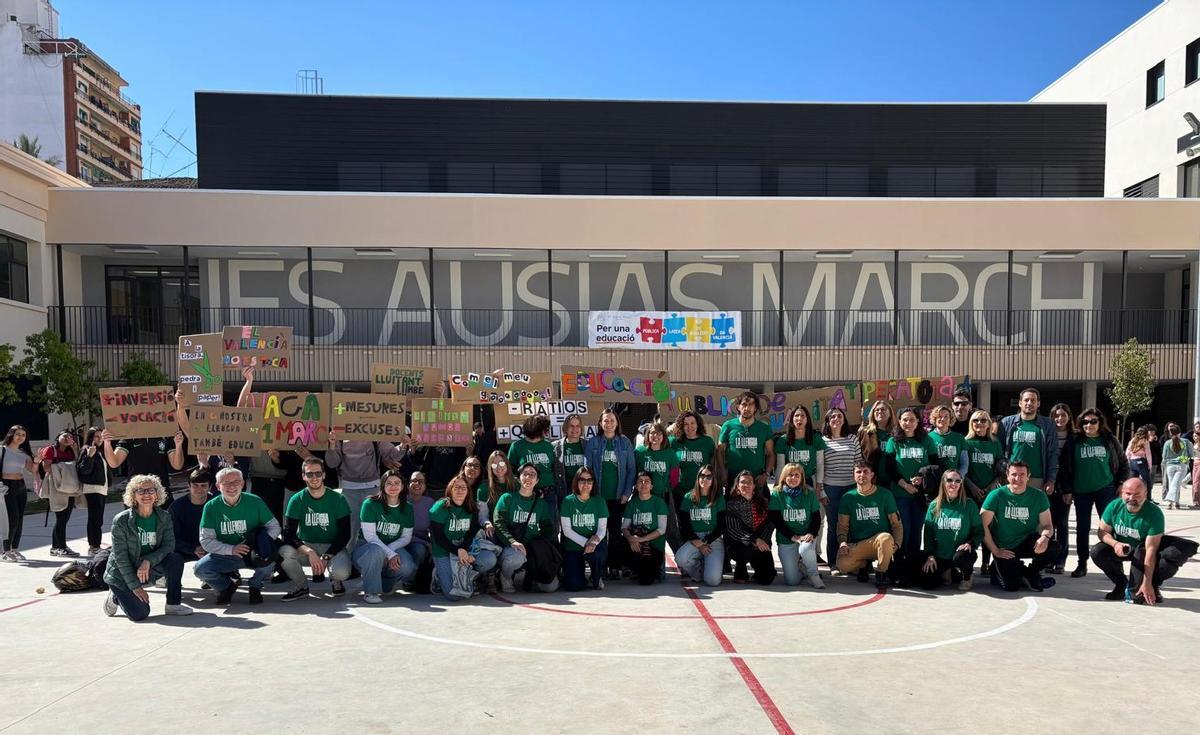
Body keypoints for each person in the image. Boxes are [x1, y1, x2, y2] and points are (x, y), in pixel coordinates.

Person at [1091, 477, 1198, 604]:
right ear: (1122, 493)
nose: (1131, 498)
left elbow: (1150, 551)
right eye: (1128, 494)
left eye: (1137, 494)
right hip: (1123, 547)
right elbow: (1102, 532)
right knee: (1098, 552)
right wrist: (1115, 544)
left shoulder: (1154, 514)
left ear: (1145, 495)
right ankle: (1120, 584)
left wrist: (1147, 583)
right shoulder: (1114, 506)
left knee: (1167, 563)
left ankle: (1153, 586)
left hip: (1144, 551)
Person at [101, 474, 193, 620]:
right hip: (122, 574)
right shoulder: (122, 521)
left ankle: (173, 604)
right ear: (133, 495)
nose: (146, 495)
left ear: (157, 494)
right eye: (140, 491)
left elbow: (169, 545)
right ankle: (116, 597)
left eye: (150, 490)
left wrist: (148, 560)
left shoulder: (164, 517)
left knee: (175, 559)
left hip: (146, 568)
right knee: (140, 614)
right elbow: (121, 558)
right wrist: (135, 587)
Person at [1057, 408, 1130, 579]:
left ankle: (1115, 562)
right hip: (1081, 491)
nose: (1088, 425)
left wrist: (1121, 483)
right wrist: (1067, 489)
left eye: (1093, 421)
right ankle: (1082, 563)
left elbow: (1123, 463)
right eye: (1085, 422)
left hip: (1105, 489)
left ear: (1100, 423)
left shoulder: (1109, 440)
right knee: (1082, 528)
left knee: (1110, 527)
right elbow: (1065, 468)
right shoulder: (1074, 441)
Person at [195, 467, 281, 606]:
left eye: (236, 481)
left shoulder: (255, 501)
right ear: (218, 486)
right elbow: (206, 540)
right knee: (200, 569)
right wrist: (231, 549)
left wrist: (261, 543)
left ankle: (255, 586)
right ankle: (226, 587)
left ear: (242, 484)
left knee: (270, 560)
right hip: (225, 553)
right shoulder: (211, 506)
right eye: (226, 482)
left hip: (253, 552)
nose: (232, 486)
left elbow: (275, 526)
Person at [279, 457, 353, 601]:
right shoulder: (296, 499)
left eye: (318, 473)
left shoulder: (338, 499)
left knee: (341, 572)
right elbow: (288, 534)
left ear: (324, 475)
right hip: (308, 545)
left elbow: (345, 534)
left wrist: (326, 556)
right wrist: (309, 552)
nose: (314, 478)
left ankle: (335, 580)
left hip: (332, 546)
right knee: (284, 552)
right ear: (303, 476)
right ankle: (301, 586)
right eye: (310, 474)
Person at [980, 461, 1057, 592]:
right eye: (1014, 474)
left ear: (1028, 476)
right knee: (1011, 587)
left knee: (1053, 547)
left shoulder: (1038, 496)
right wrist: (995, 550)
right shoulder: (996, 495)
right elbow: (982, 525)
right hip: (1004, 547)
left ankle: (1030, 573)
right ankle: (998, 568)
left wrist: (1045, 537)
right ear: (1007, 475)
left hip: (1025, 541)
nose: (1018, 478)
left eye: (1022, 474)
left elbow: (1048, 525)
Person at [326, 434, 406, 549]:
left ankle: (375, 557)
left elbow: (392, 454)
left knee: (376, 528)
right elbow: (332, 463)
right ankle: (349, 558)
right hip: (349, 489)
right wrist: (332, 447)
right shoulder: (341, 433)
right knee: (349, 529)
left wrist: (402, 446)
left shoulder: (373, 430)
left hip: (372, 488)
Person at [352, 469, 417, 604]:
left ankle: (385, 581)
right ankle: (371, 591)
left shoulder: (408, 508)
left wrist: (390, 551)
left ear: (402, 486)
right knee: (376, 551)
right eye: (389, 483)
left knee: (407, 566)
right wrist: (389, 553)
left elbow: (406, 537)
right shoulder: (370, 504)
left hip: (393, 547)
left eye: (397, 483)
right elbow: (371, 537)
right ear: (382, 486)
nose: (393, 486)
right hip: (367, 548)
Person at [429, 473, 497, 601]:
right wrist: (457, 551)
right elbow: (437, 537)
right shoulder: (441, 507)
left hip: (464, 547)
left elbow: (471, 533)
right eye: (456, 487)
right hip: (444, 550)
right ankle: (438, 576)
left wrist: (465, 550)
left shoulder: (471, 507)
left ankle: (470, 575)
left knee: (489, 558)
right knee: (453, 595)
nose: (460, 490)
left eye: (463, 487)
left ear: (468, 491)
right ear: (450, 489)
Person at [584, 408, 635, 577]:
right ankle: (601, 565)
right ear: (600, 423)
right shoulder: (593, 443)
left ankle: (614, 565)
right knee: (599, 532)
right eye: (605, 421)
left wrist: (627, 492)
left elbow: (631, 470)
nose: (609, 424)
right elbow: (587, 469)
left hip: (618, 497)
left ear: (617, 423)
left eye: (612, 420)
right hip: (598, 497)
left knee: (615, 532)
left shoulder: (625, 442)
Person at [881, 407, 937, 556]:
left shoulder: (927, 440)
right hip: (900, 494)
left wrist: (922, 477)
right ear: (899, 421)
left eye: (912, 419)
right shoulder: (893, 441)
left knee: (916, 531)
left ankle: (913, 566)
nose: (908, 423)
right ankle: (900, 566)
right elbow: (889, 470)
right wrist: (906, 485)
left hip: (920, 495)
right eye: (905, 419)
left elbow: (935, 465)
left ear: (918, 421)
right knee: (902, 530)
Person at [836, 462, 902, 587]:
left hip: (880, 543)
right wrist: (843, 542)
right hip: (860, 544)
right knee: (842, 564)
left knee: (886, 538)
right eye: (858, 472)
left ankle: (881, 573)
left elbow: (896, 524)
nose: (862, 475)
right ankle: (863, 565)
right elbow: (842, 526)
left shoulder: (885, 495)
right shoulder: (848, 497)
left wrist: (897, 543)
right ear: (853, 475)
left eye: (866, 471)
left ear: (872, 475)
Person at [495, 463, 558, 592]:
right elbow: (498, 522)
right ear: (518, 478)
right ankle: (505, 576)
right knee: (516, 558)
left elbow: (547, 528)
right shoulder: (507, 498)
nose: (528, 478)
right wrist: (512, 541)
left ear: (537, 480)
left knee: (550, 587)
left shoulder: (541, 504)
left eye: (532, 474)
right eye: (525, 474)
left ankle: (530, 576)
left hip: (532, 548)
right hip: (511, 547)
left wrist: (543, 549)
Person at [919, 470, 982, 591]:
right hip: (940, 554)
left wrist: (970, 543)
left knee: (961, 558)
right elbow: (928, 534)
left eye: (957, 481)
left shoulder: (969, 504)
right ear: (943, 482)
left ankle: (967, 577)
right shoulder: (934, 505)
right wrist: (930, 556)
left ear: (961, 483)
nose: (954, 483)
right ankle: (949, 571)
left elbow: (979, 530)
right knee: (927, 583)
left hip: (960, 554)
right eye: (949, 480)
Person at [821, 407, 864, 572]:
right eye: (832, 417)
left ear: (844, 419)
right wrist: (822, 491)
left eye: (839, 416)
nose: (836, 419)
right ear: (828, 421)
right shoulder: (823, 441)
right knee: (834, 526)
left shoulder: (852, 439)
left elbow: (858, 464)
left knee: (852, 525)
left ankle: (852, 562)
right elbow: (820, 467)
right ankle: (833, 562)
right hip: (831, 487)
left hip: (851, 488)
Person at [998, 387, 1061, 499]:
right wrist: (1003, 474)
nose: (1029, 403)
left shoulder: (1047, 425)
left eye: (1033, 400)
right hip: (1013, 476)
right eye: (1026, 400)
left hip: (1037, 478)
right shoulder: (1006, 423)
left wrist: (1051, 480)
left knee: (1035, 513)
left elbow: (1052, 454)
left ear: (1038, 404)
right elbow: (999, 450)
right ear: (1020, 403)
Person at [963, 410, 1004, 575]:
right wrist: (972, 487)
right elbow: (963, 469)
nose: (979, 424)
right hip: (970, 490)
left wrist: (990, 487)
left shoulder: (995, 442)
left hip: (990, 492)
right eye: (975, 421)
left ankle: (986, 562)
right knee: (971, 527)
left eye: (982, 420)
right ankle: (967, 560)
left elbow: (1001, 469)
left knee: (989, 527)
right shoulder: (966, 442)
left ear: (988, 423)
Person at [769, 463, 824, 588]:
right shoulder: (777, 494)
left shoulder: (809, 493)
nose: (793, 478)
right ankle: (801, 568)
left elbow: (816, 517)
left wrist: (811, 533)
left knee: (805, 548)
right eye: (790, 475)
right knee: (792, 581)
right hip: (786, 538)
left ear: (801, 478)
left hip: (805, 536)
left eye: (796, 475)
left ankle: (813, 574)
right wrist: (792, 536)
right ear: (784, 477)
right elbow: (776, 520)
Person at [675, 464, 726, 587]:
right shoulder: (688, 497)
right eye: (702, 476)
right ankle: (698, 570)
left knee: (713, 581)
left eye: (709, 477)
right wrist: (696, 541)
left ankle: (710, 566)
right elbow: (683, 524)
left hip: (713, 539)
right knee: (680, 558)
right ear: (698, 478)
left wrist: (705, 542)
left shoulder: (718, 498)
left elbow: (722, 525)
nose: (705, 479)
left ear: (713, 479)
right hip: (695, 538)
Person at [559, 468, 608, 592]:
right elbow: (566, 530)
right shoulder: (567, 501)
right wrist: (587, 543)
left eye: (589, 481)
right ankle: (579, 575)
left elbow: (602, 529)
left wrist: (593, 543)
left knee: (597, 555)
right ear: (576, 482)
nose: (586, 484)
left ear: (593, 483)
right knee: (573, 585)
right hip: (573, 546)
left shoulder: (599, 501)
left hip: (594, 545)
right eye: (582, 480)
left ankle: (596, 577)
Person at [723, 470, 776, 585]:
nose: (746, 485)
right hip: (740, 545)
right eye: (743, 482)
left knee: (767, 578)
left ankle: (758, 572)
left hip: (761, 542)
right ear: (737, 486)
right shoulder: (731, 505)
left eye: (749, 482)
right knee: (744, 550)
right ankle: (740, 567)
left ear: (754, 486)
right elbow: (733, 530)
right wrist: (755, 540)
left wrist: (763, 541)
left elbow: (770, 525)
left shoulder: (764, 503)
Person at [635, 422, 680, 549]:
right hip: (643, 498)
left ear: (664, 436)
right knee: (644, 529)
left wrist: (667, 488)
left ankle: (683, 563)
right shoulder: (639, 452)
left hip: (663, 496)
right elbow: (633, 472)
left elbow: (675, 476)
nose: (656, 436)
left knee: (671, 530)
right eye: (652, 433)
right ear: (647, 435)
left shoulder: (670, 453)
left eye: (659, 433)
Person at [717, 392, 775, 492]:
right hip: (733, 478)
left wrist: (766, 475)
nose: (747, 408)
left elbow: (771, 453)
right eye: (744, 404)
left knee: (759, 507)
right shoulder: (728, 426)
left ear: (756, 408)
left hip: (757, 479)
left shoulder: (764, 428)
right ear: (738, 407)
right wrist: (723, 472)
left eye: (751, 405)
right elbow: (719, 451)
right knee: (732, 507)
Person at [621, 471, 669, 585]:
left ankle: (651, 569)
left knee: (645, 581)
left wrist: (642, 539)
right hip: (636, 544)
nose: (643, 484)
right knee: (619, 544)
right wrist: (631, 538)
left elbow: (662, 529)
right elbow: (624, 527)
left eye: (647, 481)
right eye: (640, 481)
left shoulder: (659, 502)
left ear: (651, 486)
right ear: (636, 486)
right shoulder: (632, 503)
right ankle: (635, 568)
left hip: (653, 547)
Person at [1045, 403, 1074, 574]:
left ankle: (1060, 560)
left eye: (1063, 415)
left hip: (1065, 486)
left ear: (1069, 417)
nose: (1060, 419)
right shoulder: (1047, 434)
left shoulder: (1074, 437)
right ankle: (1048, 558)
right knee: (1049, 523)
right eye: (1056, 415)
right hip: (1048, 482)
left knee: (1062, 523)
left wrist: (1069, 489)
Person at [41, 430, 80, 557]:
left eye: (70, 437)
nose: (68, 438)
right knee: (61, 518)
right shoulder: (50, 450)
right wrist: (63, 470)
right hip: (56, 488)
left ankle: (55, 547)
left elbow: (78, 464)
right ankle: (62, 547)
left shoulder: (71, 451)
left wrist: (74, 448)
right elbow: (47, 468)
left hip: (69, 487)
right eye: (65, 436)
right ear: (58, 437)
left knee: (64, 518)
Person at [0, 425, 35, 562]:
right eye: (18, 434)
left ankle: (15, 549)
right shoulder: (3, 450)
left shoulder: (24, 453)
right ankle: (5, 551)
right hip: (6, 486)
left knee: (20, 519)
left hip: (20, 486)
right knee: (11, 519)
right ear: (11, 435)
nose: (21, 437)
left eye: (23, 435)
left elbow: (32, 470)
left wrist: (37, 461)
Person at [75, 427, 111, 557]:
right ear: (90, 437)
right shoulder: (87, 449)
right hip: (93, 489)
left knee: (98, 519)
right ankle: (93, 546)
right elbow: (83, 470)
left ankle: (96, 545)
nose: (99, 439)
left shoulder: (99, 452)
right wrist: (89, 456)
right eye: (96, 436)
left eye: (101, 436)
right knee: (94, 519)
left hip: (101, 488)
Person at [668, 410, 716, 506]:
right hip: (680, 491)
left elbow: (713, 464)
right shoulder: (673, 442)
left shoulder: (707, 442)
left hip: (702, 491)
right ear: (681, 426)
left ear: (698, 424)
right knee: (683, 520)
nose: (689, 427)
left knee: (699, 519)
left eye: (692, 423)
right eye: (685, 424)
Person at [170, 468, 217, 566]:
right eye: (195, 485)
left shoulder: (217, 504)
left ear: (210, 487)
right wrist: (193, 549)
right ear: (188, 486)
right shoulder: (176, 507)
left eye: (203, 486)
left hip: (213, 549)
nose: (199, 489)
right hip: (184, 551)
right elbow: (170, 537)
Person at [505, 416, 558, 501]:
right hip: (526, 491)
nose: (547, 432)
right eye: (545, 429)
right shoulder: (517, 446)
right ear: (536, 430)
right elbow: (510, 469)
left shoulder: (549, 446)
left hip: (548, 492)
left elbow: (554, 467)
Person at [405, 471, 435, 590]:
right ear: (408, 484)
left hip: (420, 542)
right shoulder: (402, 501)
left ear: (425, 485)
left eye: (421, 481)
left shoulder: (430, 502)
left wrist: (433, 544)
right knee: (419, 549)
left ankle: (414, 578)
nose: (417, 484)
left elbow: (433, 528)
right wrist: (425, 543)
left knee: (420, 550)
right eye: (414, 481)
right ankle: (407, 578)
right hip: (401, 539)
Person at [479, 450, 517, 537]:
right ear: (490, 468)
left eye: (501, 463)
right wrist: (487, 524)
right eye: (494, 464)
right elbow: (483, 515)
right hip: (496, 529)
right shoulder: (483, 488)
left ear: (507, 464)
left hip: (516, 528)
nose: (498, 467)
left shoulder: (518, 484)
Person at [927, 405, 968, 476]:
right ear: (935, 419)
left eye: (946, 416)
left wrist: (957, 478)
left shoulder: (959, 438)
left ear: (950, 419)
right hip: (934, 479)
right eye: (939, 416)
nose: (942, 419)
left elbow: (964, 463)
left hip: (954, 481)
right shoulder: (927, 437)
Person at [856, 400, 895, 476]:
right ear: (873, 414)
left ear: (890, 413)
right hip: (871, 478)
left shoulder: (896, 433)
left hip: (893, 479)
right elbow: (858, 456)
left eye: (883, 409)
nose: (880, 411)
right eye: (877, 410)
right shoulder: (865, 433)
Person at [553, 413, 589, 490]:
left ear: (581, 428)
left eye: (577, 426)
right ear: (566, 428)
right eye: (571, 426)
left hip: (583, 489)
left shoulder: (588, 446)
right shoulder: (555, 446)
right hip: (564, 488)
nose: (574, 429)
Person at [1161, 422, 1192, 510]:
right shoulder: (1186, 442)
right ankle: (1173, 501)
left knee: (1173, 483)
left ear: (1170, 433)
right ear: (1180, 433)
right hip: (1182, 465)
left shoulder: (1167, 443)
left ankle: (1172, 503)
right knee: (1176, 484)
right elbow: (1190, 454)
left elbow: (1164, 456)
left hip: (1170, 465)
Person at [1125, 429, 1153, 497]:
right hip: (1141, 462)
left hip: (1132, 462)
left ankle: (1131, 496)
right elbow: (1148, 455)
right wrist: (1150, 466)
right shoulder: (1145, 441)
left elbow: (1127, 452)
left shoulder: (1132, 440)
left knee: (1133, 481)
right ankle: (1148, 498)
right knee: (1147, 481)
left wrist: (1128, 461)